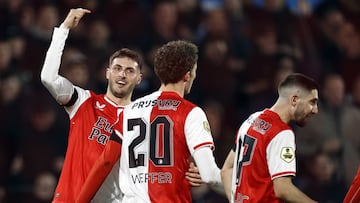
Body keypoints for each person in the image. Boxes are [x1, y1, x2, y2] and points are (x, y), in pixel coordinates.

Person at [77, 40, 222, 202]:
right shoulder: (191, 113)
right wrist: (240, 191)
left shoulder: (130, 111)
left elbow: (105, 162)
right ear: (187, 75)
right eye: (194, 71)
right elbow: (210, 175)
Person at [40, 8, 144, 202]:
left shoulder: (141, 120)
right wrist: (63, 29)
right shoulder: (84, 101)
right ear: (107, 73)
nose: (122, 74)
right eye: (118, 68)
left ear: (139, 79)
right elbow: (48, 78)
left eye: (130, 71)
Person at [221, 73, 319, 203]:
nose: (315, 110)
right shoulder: (282, 133)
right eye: (312, 102)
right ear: (294, 99)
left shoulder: (251, 120)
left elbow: (226, 170)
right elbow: (283, 188)